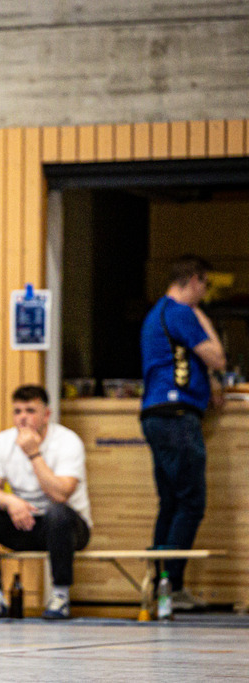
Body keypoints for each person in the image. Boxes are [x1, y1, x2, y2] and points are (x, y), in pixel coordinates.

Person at [140, 255, 225, 610]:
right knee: (191, 502)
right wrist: (198, 311)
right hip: (176, 416)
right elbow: (217, 356)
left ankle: (162, 583)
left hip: (157, 415)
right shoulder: (180, 312)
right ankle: (171, 585)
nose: (204, 295)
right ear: (194, 280)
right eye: (203, 287)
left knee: (171, 502)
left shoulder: (156, 313)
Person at [0, 385, 93, 620]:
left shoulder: (67, 441)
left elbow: (61, 494)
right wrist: (11, 502)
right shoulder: (2, 442)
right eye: (17, 411)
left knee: (57, 512)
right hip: (23, 523)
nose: (23, 417)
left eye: (30, 411)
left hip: (68, 528)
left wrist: (34, 454)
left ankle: (60, 596)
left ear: (46, 414)